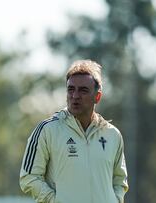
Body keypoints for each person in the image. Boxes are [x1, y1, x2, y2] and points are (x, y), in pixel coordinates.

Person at [20, 59, 128, 203]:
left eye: (83, 90)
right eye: (71, 89)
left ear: (97, 97)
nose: (75, 96)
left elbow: (120, 182)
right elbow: (29, 177)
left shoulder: (112, 135)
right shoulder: (47, 130)